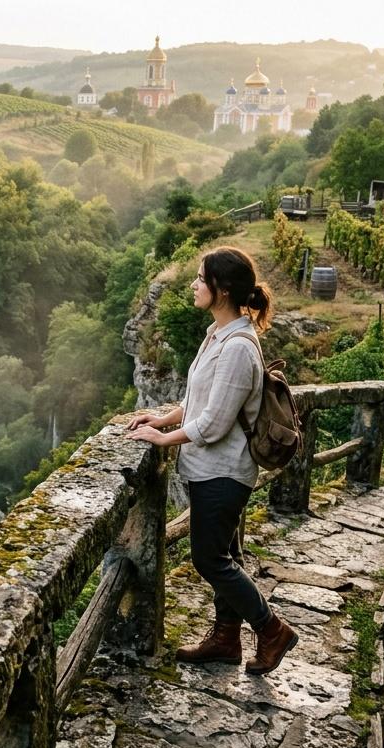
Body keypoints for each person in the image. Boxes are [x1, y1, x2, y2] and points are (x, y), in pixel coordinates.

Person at [123, 246, 298, 676]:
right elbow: (198, 401)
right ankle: (225, 639)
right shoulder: (216, 334)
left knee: (209, 559)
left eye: (200, 278)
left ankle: (271, 628)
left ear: (220, 290)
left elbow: (215, 424)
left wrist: (161, 440)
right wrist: (162, 418)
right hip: (209, 470)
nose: (193, 284)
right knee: (224, 554)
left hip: (224, 471)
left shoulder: (238, 347)